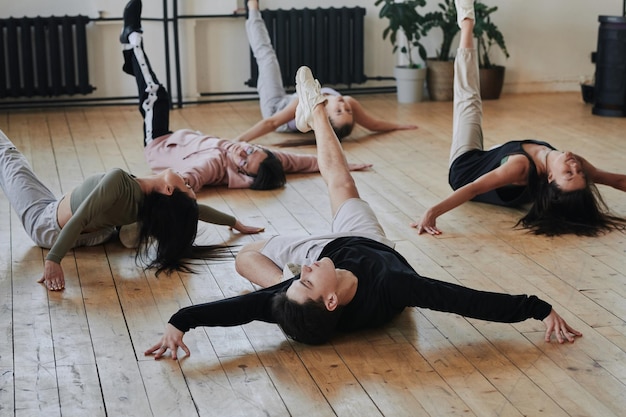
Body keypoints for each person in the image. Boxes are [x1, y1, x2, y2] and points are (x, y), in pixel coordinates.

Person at [146, 62, 581, 360]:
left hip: (336, 250)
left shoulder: (300, 296)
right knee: (343, 185)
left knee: (246, 258)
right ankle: (316, 113)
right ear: (331, 300)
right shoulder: (394, 285)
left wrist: (180, 322)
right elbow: (462, 300)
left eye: (300, 277)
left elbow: (232, 310)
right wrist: (538, 308)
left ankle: (315, 114)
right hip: (369, 247)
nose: (308, 269)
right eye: (308, 279)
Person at [411, 1, 626, 237]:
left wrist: (432, 212)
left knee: (469, 100)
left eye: (569, 173)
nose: (575, 167)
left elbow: (472, 189)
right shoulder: (575, 163)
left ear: (551, 176)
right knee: (503, 152)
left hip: (464, 170)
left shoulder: (520, 167)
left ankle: (466, 23)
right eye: (579, 174)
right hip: (497, 158)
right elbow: (617, 180)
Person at [120, 0, 371, 192]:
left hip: (159, 144)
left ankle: (133, 39)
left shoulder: (214, 163)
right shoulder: (262, 158)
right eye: (252, 150)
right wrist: (343, 165)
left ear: (242, 174)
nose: (244, 151)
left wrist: (137, 187)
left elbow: (190, 180)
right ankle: (132, 54)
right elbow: (300, 162)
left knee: (155, 95)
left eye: (244, 160)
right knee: (266, 57)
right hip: (181, 140)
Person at [0, 127, 264, 292]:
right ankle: (127, 237)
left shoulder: (119, 181)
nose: (186, 179)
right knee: (142, 219)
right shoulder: (151, 203)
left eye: (185, 184)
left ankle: (127, 236)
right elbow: (195, 211)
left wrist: (53, 260)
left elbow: (80, 218)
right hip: (95, 232)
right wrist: (234, 222)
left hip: (47, 225)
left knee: (8, 156)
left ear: (169, 190)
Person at [232, 0, 418, 144]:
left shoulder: (311, 106)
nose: (343, 104)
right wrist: (401, 125)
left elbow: (271, 123)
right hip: (292, 100)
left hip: (276, 110)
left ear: (324, 115)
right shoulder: (349, 102)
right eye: (347, 111)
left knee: (266, 57)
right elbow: (374, 125)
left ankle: (252, 7)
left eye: (339, 110)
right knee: (269, 59)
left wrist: (235, 142)